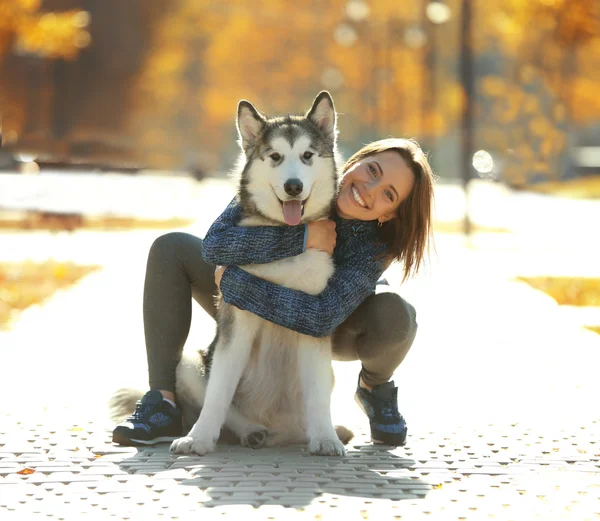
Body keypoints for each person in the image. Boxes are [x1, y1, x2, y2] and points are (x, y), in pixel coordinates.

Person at [112, 137, 435, 447]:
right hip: (252, 294)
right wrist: (303, 238)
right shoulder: (294, 174)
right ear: (354, 162)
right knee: (171, 248)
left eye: (388, 194)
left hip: (333, 326)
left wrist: (236, 284)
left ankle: (373, 389)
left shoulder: (377, 245)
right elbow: (216, 245)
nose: (369, 188)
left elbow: (321, 317)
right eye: (372, 170)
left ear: (388, 214)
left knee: (397, 315)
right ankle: (163, 403)